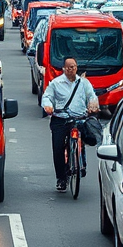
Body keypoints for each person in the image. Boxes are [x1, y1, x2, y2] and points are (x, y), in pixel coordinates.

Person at [41, 57, 99, 193]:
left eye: (73, 67)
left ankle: (81, 161)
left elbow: (92, 96)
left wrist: (93, 105)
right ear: (63, 69)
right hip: (60, 119)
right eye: (68, 67)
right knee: (58, 148)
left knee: (87, 137)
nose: (70, 69)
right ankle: (61, 179)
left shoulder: (84, 83)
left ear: (76, 68)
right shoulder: (56, 83)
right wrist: (48, 106)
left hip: (79, 118)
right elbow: (47, 97)